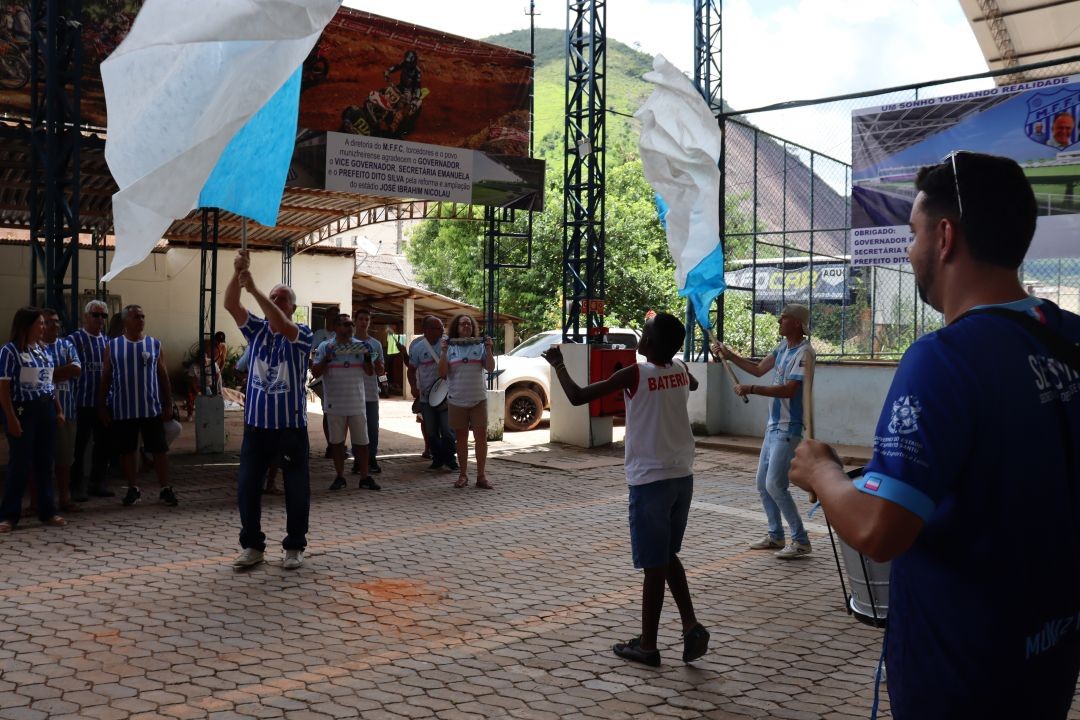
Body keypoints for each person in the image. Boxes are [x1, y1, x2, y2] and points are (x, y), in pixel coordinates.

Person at [789, 152, 1080, 719]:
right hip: (1049, 658)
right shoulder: (1069, 338)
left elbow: (879, 528)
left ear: (945, 237)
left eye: (914, 232)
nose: (909, 248)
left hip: (961, 677)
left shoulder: (945, 359)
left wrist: (821, 472)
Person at [541, 313, 708, 666]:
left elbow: (576, 396)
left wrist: (558, 364)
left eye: (645, 334)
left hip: (650, 482)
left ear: (652, 343)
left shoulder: (635, 373)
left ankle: (648, 646)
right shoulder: (678, 368)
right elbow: (690, 384)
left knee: (653, 566)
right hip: (682, 477)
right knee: (665, 556)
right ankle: (691, 625)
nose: (639, 338)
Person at [224, 250, 313, 570]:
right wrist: (237, 273)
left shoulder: (301, 334)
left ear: (291, 307)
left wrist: (257, 291)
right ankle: (253, 545)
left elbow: (282, 324)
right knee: (248, 486)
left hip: (289, 429)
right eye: (273, 296)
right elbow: (231, 306)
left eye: (281, 298)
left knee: (296, 489)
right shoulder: (257, 331)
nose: (275, 300)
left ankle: (294, 546)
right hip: (257, 427)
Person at [712, 304, 813, 559]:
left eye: (785, 317)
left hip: (788, 427)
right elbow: (758, 369)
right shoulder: (782, 348)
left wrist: (752, 389)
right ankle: (776, 535)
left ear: (798, 324)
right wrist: (729, 354)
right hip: (773, 426)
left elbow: (789, 390)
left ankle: (801, 540)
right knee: (762, 483)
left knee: (775, 484)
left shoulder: (804, 353)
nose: (780, 320)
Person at [98, 305, 178, 508]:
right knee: (128, 451)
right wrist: (102, 406)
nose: (140, 320)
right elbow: (106, 377)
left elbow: (163, 376)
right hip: (123, 408)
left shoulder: (154, 344)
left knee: (159, 450)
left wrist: (168, 403)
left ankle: (165, 488)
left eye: (143, 316)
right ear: (125, 321)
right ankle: (133, 488)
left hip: (151, 408)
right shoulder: (113, 346)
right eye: (136, 317)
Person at [0, 307, 66, 533]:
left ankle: (47, 511)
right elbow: (4, 389)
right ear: (27, 325)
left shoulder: (43, 350)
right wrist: (10, 418)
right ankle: (9, 515)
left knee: (44, 462)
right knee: (20, 462)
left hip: (44, 408)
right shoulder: (10, 351)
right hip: (22, 410)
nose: (44, 327)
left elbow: (49, 383)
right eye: (40, 323)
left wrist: (57, 409)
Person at [310, 312, 376, 491]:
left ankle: (364, 477)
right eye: (346, 324)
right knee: (337, 443)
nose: (350, 327)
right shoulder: (325, 346)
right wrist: (327, 358)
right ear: (336, 327)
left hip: (357, 402)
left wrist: (369, 357)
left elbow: (370, 372)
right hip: (335, 403)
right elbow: (315, 372)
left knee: (362, 442)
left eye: (351, 325)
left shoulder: (361, 346)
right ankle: (339, 476)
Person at [439, 314, 495, 489]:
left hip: (478, 398)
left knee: (481, 437)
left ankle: (481, 476)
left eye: (469, 324)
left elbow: (491, 368)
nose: (466, 326)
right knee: (461, 439)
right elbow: (442, 373)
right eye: (463, 324)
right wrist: (443, 351)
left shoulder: (479, 346)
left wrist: (488, 349)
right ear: (456, 327)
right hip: (457, 399)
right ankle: (463, 475)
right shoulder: (450, 348)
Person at [68, 299, 114, 499]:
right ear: (85, 316)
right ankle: (75, 486)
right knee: (78, 447)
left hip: (102, 403)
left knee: (103, 445)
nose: (100, 319)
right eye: (96, 315)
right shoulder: (73, 340)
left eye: (103, 315)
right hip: (81, 402)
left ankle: (97, 483)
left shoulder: (108, 342)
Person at [42, 308, 81, 513]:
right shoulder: (33, 348)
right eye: (49, 322)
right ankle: (38, 502)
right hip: (40, 413)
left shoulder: (66, 345)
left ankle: (64, 499)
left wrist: (48, 374)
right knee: (39, 460)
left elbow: (76, 369)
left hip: (67, 411)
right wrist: (57, 373)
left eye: (57, 321)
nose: (55, 325)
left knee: (64, 460)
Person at [407, 316, 457, 472]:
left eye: (442, 327)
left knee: (447, 429)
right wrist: (413, 387)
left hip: (446, 395)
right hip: (426, 396)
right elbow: (411, 369)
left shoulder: (448, 344)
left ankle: (450, 459)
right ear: (427, 330)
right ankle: (437, 459)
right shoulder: (417, 348)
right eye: (438, 328)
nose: (442, 331)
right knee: (431, 430)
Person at [354, 308, 385, 475]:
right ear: (355, 320)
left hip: (371, 392)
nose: (364, 322)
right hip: (353, 393)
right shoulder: (349, 343)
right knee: (356, 427)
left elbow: (381, 371)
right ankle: (357, 460)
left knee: (372, 427)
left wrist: (379, 367)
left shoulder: (376, 344)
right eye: (361, 319)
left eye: (367, 319)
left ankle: (371, 458)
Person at [310, 307, 338, 459]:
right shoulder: (319, 335)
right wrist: (315, 370)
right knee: (327, 412)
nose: (333, 318)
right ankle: (330, 445)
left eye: (336, 316)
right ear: (326, 316)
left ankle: (338, 444)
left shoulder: (340, 334)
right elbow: (312, 354)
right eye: (331, 315)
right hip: (323, 378)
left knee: (339, 413)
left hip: (339, 379)